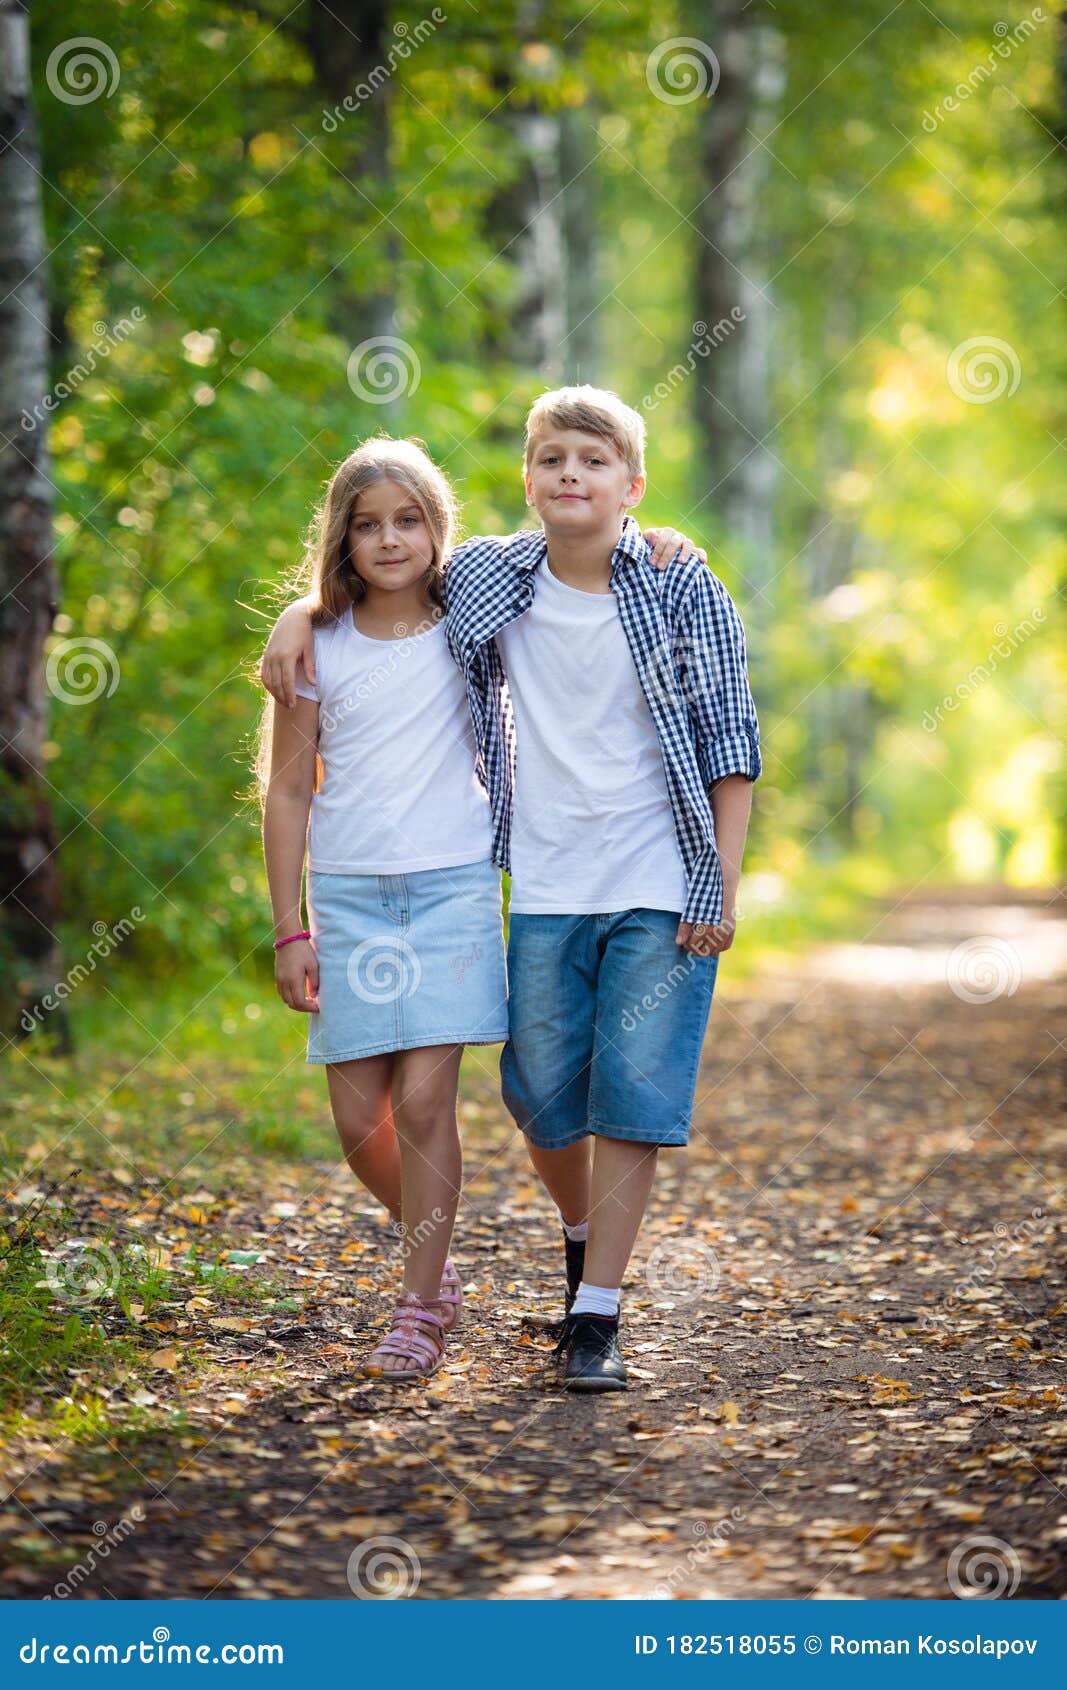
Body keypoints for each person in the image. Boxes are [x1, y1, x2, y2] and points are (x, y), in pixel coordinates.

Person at [260, 400, 737, 1392]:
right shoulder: (425, 603)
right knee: (453, 1109)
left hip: (557, 878)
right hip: (446, 888)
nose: (571, 476)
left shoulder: (590, 589)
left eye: (594, 462)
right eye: (551, 460)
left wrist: (718, 881)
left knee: (535, 1091)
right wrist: (295, 611)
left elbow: (725, 731)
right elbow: (377, 586)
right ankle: (506, 1242)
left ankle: (521, 1308)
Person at [259, 438, 509, 1381]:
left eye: (408, 521)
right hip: (352, 899)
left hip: (450, 886)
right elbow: (287, 794)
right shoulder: (316, 645)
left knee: (425, 1099)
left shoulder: (471, 621)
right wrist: (291, 927)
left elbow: (566, 551)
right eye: (368, 525)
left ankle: (418, 1306)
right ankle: (433, 1253)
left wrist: (659, 542)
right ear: (343, 539)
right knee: (357, 1119)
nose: (389, 539)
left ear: (437, 530)